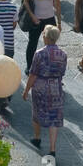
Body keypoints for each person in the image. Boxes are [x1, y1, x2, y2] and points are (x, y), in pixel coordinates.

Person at [23, 23, 67, 156]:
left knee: (37, 113)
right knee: (54, 117)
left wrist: (26, 90)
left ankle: (37, 138)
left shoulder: (39, 54)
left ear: (46, 37)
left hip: (41, 87)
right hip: (56, 87)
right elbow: (62, 72)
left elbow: (33, 73)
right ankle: (52, 148)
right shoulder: (63, 54)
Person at [21, 0, 61, 72]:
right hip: (36, 19)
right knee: (32, 43)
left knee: (51, 45)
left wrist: (59, 22)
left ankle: (49, 67)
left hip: (50, 18)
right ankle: (30, 67)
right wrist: (33, 16)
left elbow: (57, 4)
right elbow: (26, 1)